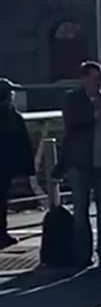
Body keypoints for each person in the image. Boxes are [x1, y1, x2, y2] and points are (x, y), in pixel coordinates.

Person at [61, 60, 101, 268]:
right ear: (84, 79)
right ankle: (82, 256)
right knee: (81, 212)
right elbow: (73, 124)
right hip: (80, 164)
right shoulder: (73, 100)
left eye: (100, 78)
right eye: (94, 78)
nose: (98, 82)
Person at [0, 78, 34, 250]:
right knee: (2, 201)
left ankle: (2, 234)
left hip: (5, 166)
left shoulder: (12, 116)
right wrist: (27, 168)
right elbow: (22, 144)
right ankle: (1, 234)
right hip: (6, 166)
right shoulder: (12, 116)